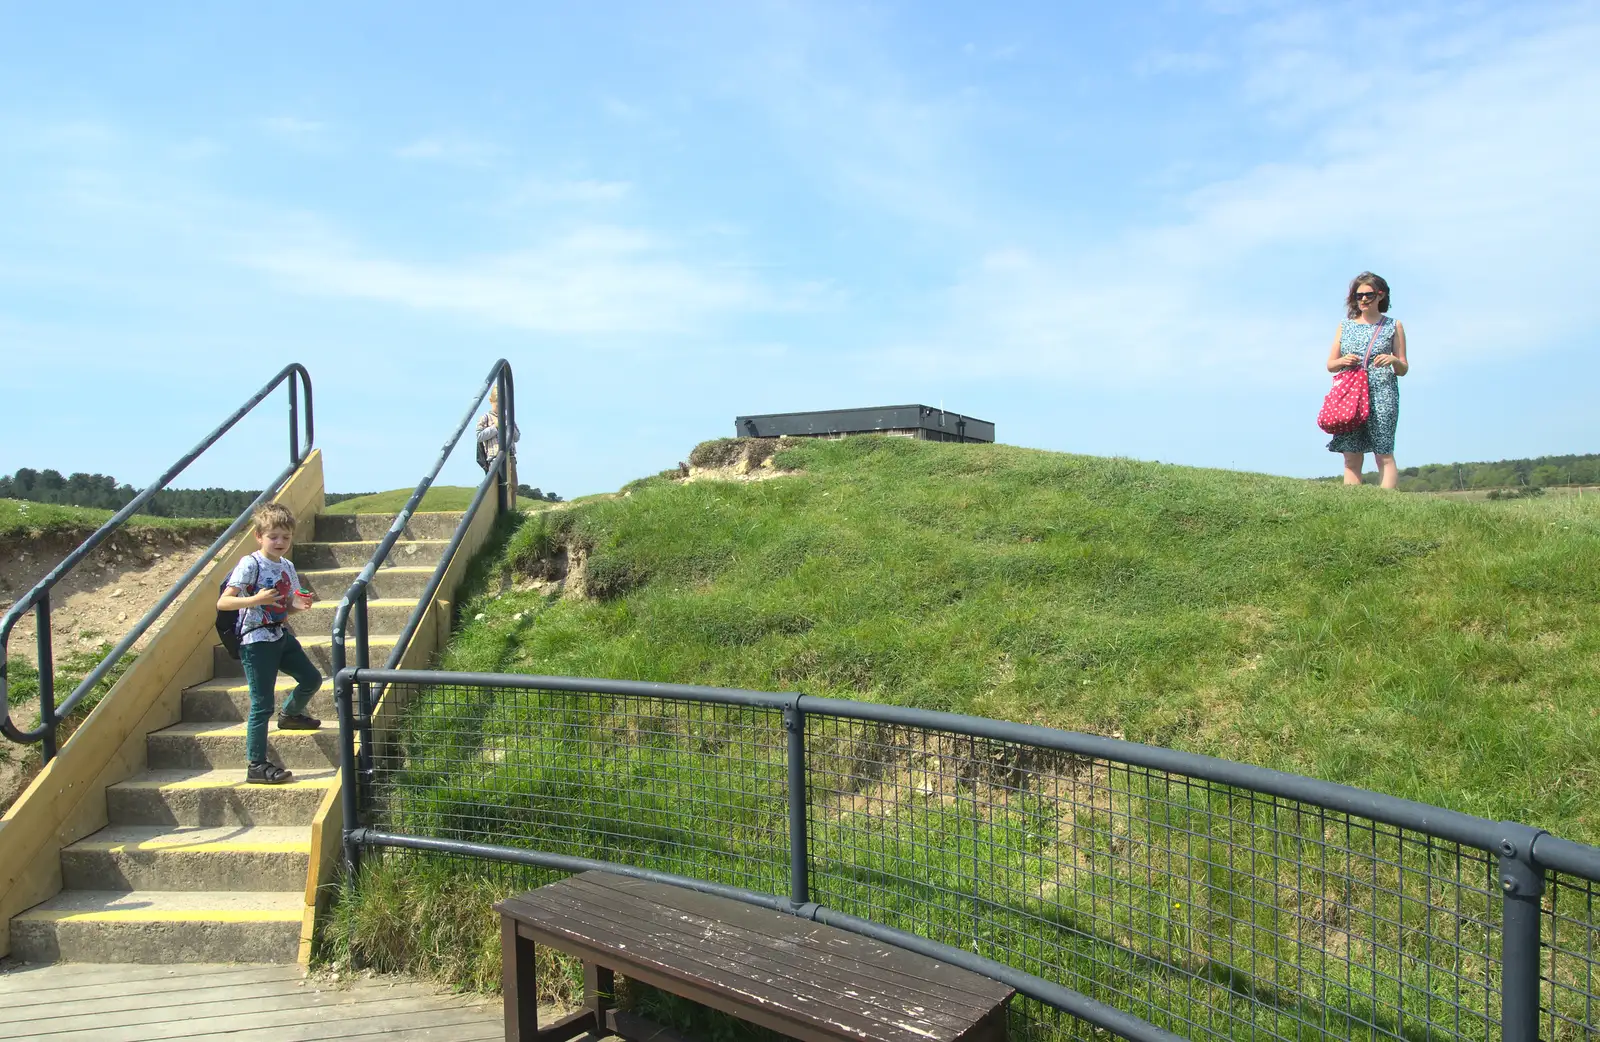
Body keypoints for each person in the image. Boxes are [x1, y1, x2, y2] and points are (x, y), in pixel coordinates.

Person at [216, 502, 321, 785]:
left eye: (286, 537)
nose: (280, 542)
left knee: (311, 679)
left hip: (280, 634)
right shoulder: (250, 564)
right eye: (273, 536)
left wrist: (300, 606)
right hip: (256, 641)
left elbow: (286, 605)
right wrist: (255, 600)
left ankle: (291, 714)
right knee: (262, 705)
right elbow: (224, 602)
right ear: (259, 536)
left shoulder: (287, 565)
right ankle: (256, 765)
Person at [1326, 272, 1409, 488]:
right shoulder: (1345, 326)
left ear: (1381, 296)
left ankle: (1386, 505)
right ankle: (1352, 507)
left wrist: (1393, 360)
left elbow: (1403, 368)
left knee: (1384, 452)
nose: (1362, 299)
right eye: (1358, 295)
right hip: (1351, 395)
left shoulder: (1393, 325)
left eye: (1368, 295)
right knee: (1351, 455)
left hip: (1382, 392)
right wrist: (1343, 359)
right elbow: (1330, 365)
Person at [475, 385, 521, 474]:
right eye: (498, 405)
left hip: (510, 457)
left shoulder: (509, 419)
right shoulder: (486, 418)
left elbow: (517, 437)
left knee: (512, 484)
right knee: (495, 482)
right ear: (491, 401)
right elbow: (479, 436)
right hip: (494, 457)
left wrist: (510, 426)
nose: (501, 408)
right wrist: (495, 427)